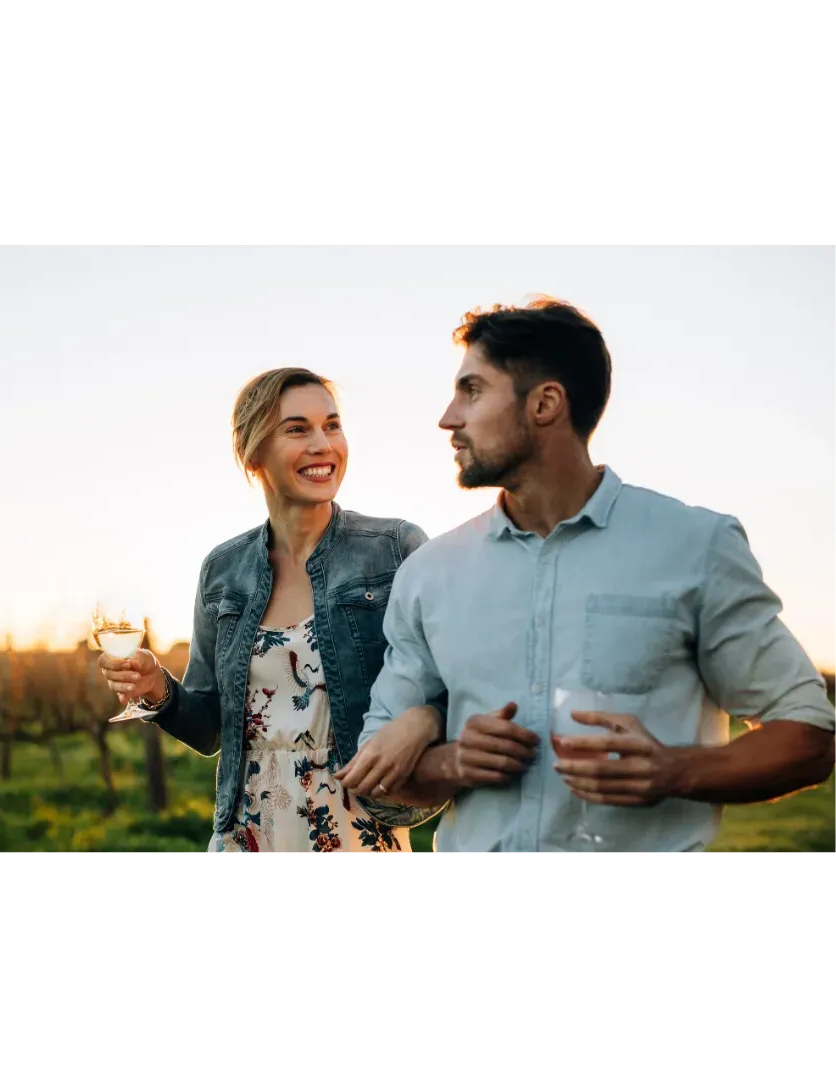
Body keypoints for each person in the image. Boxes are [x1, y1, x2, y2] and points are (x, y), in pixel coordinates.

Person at [338, 298, 836, 855]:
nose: (448, 417)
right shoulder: (430, 572)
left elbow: (808, 736)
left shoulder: (695, 546)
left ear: (545, 404)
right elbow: (379, 768)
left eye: (472, 391)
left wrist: (675, 770)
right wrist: (452, 760)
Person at [100, 367, 442, 855]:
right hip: (246, 833)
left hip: (354, 827)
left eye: (332, 425)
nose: (323, 444)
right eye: (297, 429)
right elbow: (210, 728)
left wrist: (425, 734)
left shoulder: (394, 549)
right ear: (254, 452)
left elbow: (451, 689)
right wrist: (158, 690)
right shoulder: (222, 570)